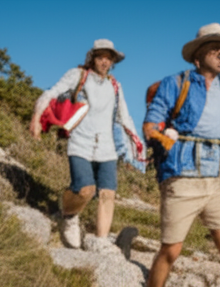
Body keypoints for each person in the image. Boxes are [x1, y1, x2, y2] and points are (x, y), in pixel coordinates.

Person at [143, 23, 220, 287]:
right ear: (197, 56)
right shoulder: (175, 83)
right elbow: (152, 121)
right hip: (182, 175)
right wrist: (157, 133)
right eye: (215, 48)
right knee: (171, 250)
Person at [29, 39, 142, 254]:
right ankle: (68, 216)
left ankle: (100, 241)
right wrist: (36, 117)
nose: (104, 62)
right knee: (85, 190)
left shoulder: (115, 86)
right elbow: (52, 92)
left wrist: (137, 145)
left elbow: (124, 116)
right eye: (100, 57)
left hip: (107, 147)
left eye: (109, 58)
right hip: (80, 142)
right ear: (92, 58)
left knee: (108, 194)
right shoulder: (78, 75)